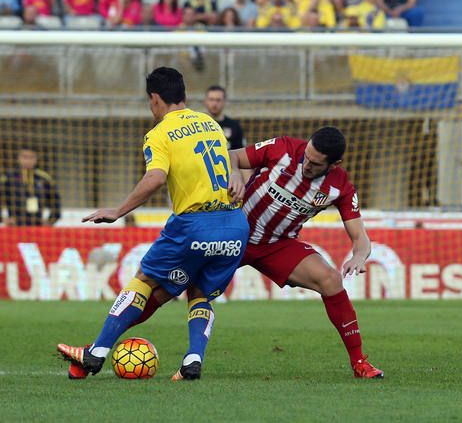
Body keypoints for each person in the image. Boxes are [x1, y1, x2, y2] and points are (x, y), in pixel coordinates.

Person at [114, 127, 385, 379]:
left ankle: (359, 362)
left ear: (334, 165)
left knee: (331, 280)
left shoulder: (340, 187)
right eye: (306, 157)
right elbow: (231, 155)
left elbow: (360, 238)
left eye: (315, 164)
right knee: (164, 292)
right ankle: (99, 345)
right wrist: (234, 173)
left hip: (277, 245)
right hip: (234, 233)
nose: (306, 165)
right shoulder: (283, 148)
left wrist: (359, 256)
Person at [57, 67, 250, 381]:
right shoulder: (211, 122)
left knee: (145, 279)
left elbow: (155, 178)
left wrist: (119, 210)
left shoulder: (159, 133)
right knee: (200, 292)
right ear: (184, 95)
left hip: (194, 225)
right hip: (235, 227)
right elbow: (231, 159)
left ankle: (96, 352)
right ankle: (192, 359)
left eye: (150, 101)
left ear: (156, 98)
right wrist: (237, 176)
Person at [0, 146, 61, 226]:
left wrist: (51, 220)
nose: (28, 161)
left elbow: (55, 200)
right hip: (15, 226)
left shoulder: (44, 178)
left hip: (38, 225)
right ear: (18, 158)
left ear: (36, 159)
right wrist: (3, 219)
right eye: (24, 157)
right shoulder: (8, 178)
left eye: (31, 157)